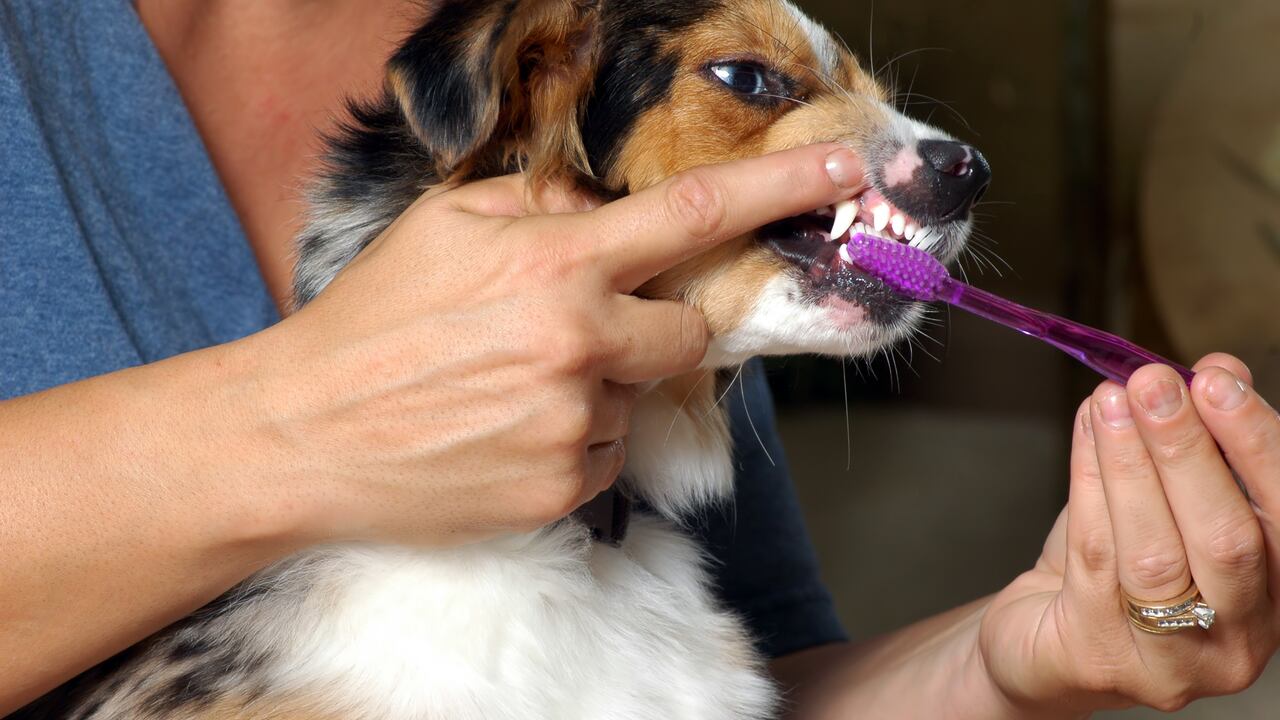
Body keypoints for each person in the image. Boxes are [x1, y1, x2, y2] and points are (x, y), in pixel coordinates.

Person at [2, 1, 1277, 717]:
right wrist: (308, 429)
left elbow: (758, 675)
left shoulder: (652, 175)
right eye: (750, 82)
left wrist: (1020, 653)